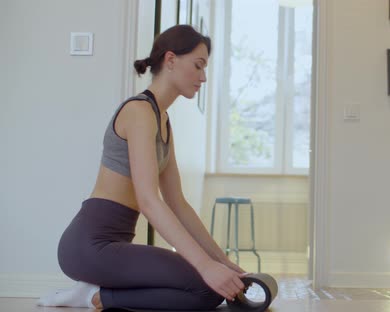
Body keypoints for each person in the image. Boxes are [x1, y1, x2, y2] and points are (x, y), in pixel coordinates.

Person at [37, 24, 248, 311]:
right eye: (198, 66)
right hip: (89, 245)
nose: (204, 77)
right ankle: (94, 297)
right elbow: (149, 201)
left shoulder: (162, 121)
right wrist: (205, 266)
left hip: (114, 245)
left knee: (212, 284)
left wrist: (222, 262)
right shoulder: (139, 112)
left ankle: (95, 289)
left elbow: (178, 203)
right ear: (171, 60)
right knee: (206, 288)